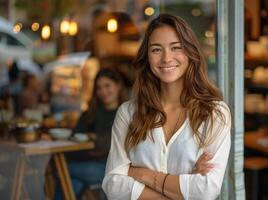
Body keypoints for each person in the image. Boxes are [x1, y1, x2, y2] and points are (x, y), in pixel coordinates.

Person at [102, 13, 231, 200]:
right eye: (156, 50)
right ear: (147, 56)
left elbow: (206, 190)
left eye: (176, 47)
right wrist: (182, 187)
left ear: (190, 52)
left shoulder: (215, 114)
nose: (166, 58)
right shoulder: (128, 113)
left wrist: (140, 174)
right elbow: (113, 184)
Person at [55, 68, 126, 199]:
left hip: (110, 168)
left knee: (58, 168)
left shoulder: (126, 112)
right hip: (86, 162)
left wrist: (94, 139)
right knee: (73, 182)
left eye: (107, 86)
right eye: (99, 88)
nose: (103, 91)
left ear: (118, 86)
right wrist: (95, 142)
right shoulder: (90, 112)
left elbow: (113, 144)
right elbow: (75, 137)